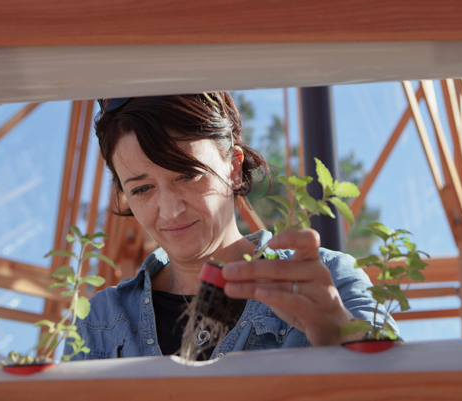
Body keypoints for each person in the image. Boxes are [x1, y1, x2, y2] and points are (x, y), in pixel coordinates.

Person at [71, 93, 395, 360]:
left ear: (234, 168)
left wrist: (341, 331)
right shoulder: (100, 320)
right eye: (142, 189)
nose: (170, 211)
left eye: (188, 175)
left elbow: (405, 383)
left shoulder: (331, 279)